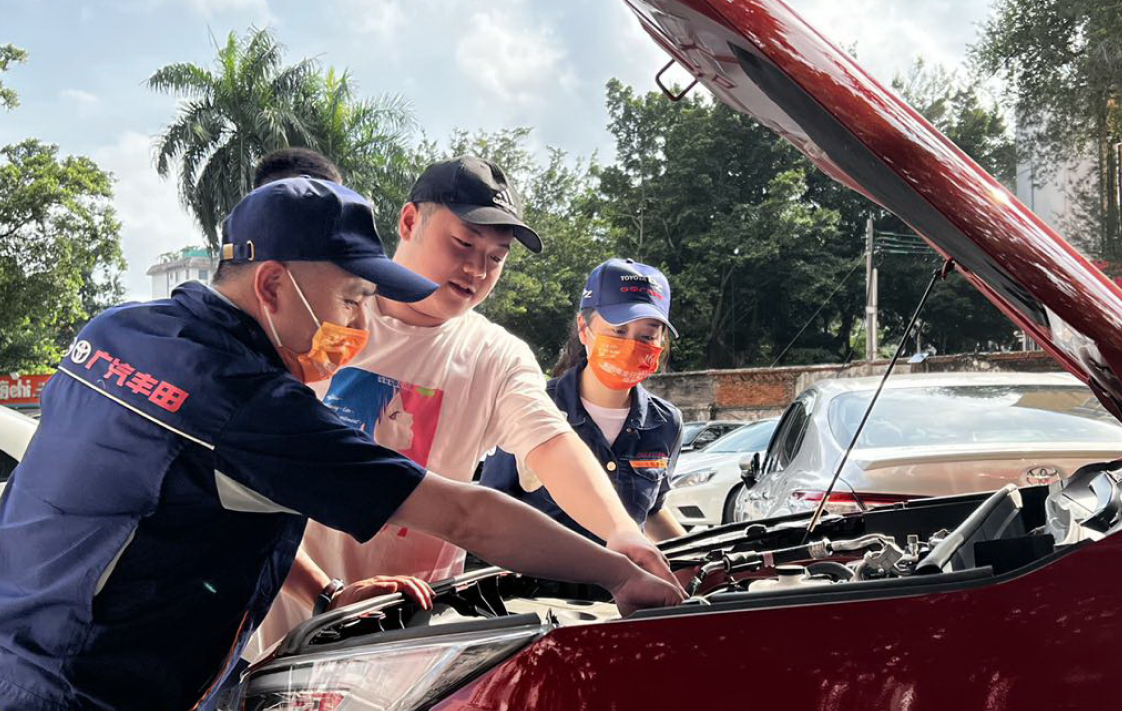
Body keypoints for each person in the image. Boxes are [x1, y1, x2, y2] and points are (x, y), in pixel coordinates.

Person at [0, 177, 683, 711]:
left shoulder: (116, 330)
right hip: (89, 686)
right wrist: (618, 572)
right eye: (352, 298)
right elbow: (464, 514)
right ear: (273, 284)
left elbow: (214, 495)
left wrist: (327, 594)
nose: (358, 323)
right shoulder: (251, 403)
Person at [254, 156, 681, 653]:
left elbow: (550, 444)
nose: (477, 270)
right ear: (409, 221)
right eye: (463, 243)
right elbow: (255, 484)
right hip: (281, 638)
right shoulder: (325, 319)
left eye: (496, 257)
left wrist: (621, 534)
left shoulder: (494, 356)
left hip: (415, 644)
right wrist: (324, 593)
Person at [482, 258, 687, 542]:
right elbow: (492, 506)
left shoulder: (666, 423)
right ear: (583, 328)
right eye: (619, 331)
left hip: (627, 572)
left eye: (647, 336)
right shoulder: (531, 405)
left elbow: (652, 511)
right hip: (542, 571)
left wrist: (700, 556)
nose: (631, 346)